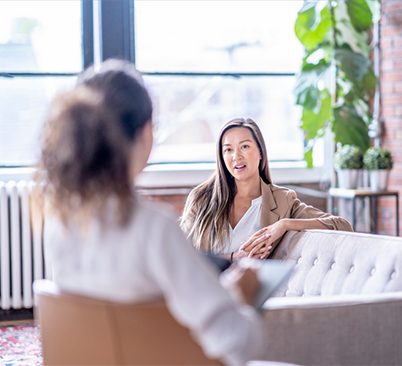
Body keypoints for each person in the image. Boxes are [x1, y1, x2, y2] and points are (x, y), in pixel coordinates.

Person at [35, 60, 262, 366]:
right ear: (145, 133)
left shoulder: (59, 221)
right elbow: (238, 344)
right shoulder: (154, 228)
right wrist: (239, 298)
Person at [180, 118, 353, 262]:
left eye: (245, 146)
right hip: (206, 292)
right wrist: (234, 257)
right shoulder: (201, 198)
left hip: (254, 297)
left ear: (261, 152)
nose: (236, 156)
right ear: (222, 157)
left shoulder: (282, 200)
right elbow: (180, 256)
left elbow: (342, 226)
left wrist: (284, 224)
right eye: (228, 150)